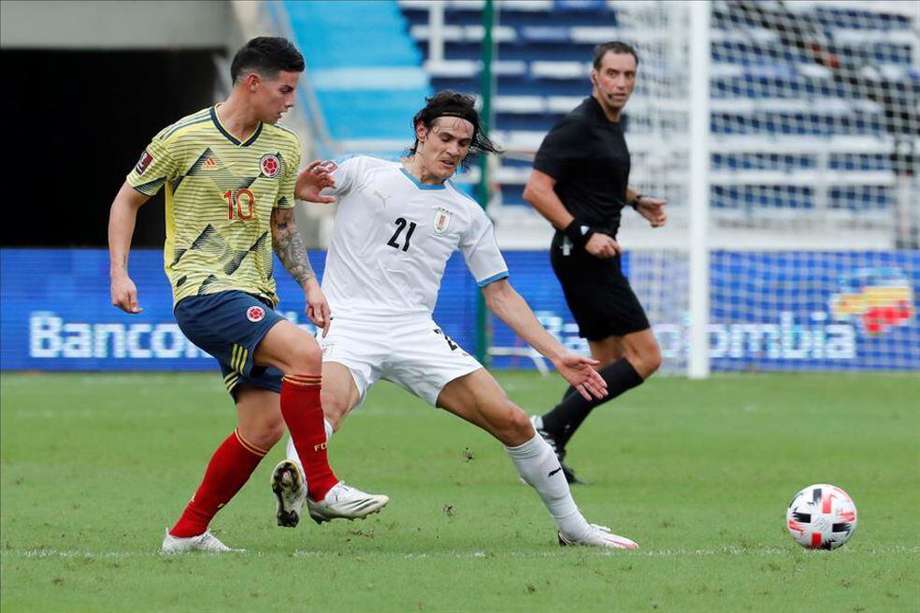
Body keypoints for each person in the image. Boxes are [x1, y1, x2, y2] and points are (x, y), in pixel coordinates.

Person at [271, 91, 639, 550]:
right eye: (445, 137)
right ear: (421, 132)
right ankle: (303, 484)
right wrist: (300, 187)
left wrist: (558, 353)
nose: (453, 150)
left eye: (463, 143)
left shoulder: (466, 213)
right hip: (350, 324)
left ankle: (573, 526)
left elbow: (501, 295)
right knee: (328, 406)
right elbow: (306, 188)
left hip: (414, 331)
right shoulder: (365, 172)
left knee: (512, 421)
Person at [108, 37, 388, 554]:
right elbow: (127, 200)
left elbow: (283, 226)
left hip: (256, 292)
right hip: (203, 291)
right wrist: (119, 273)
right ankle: (322, 488)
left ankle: (186, 533)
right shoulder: (182, 138)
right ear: (252, 82)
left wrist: (309, 284)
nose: (290, 101)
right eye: (285, 89)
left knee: (262, 427)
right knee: (307, 355)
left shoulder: (282, 148)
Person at [522, 41, 666, 484]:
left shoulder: (609, 126)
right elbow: (536, 190)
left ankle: (551, 448)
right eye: (612, 74)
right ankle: (544, 428)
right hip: (582, 256)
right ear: (595, 76)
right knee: (645, 357)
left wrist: (637, 201)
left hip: (592, 255)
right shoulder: (578, 126)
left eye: (628, 75)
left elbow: (599, 178)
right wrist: (584, 234)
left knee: (602, 366)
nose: (620, 83)